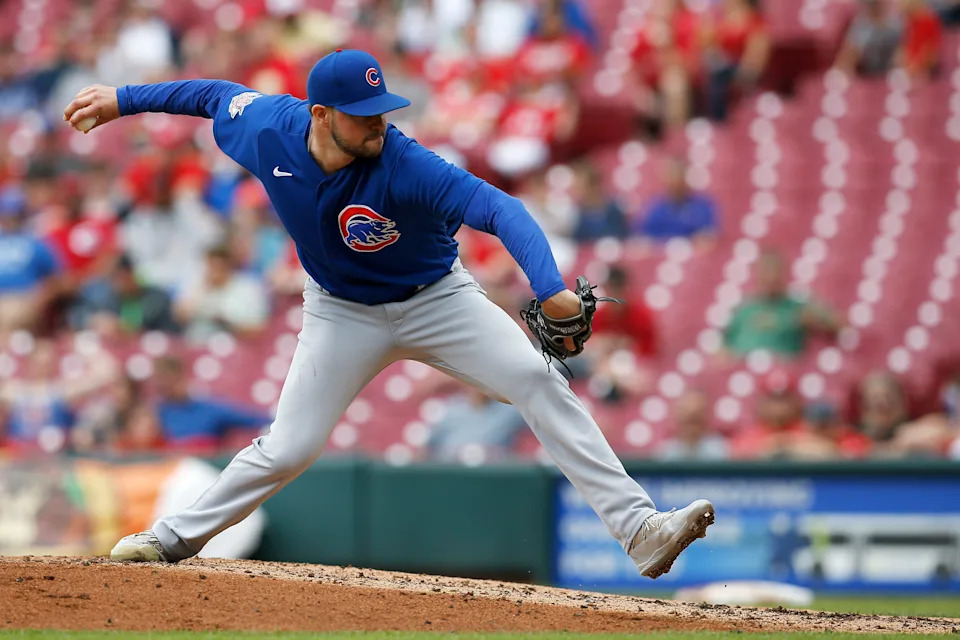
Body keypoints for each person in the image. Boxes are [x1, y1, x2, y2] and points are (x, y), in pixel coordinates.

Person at [64, 48, 713, 578]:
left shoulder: (405, 164)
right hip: (340, 312)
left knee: (538, 380)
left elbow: (501, 211)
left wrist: (547, 287)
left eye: (382, 110)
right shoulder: (266, 130)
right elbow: (209, 94)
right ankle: (170, 541)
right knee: (290, 446)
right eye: (362, 114)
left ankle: (638, 530)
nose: (379, 123)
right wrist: (123, 99)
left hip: (438, 300)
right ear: (320, 115)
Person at [723, 250, 841, 358]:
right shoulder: (743, 310)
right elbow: (723, 349)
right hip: (745, 371)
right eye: (765, 272)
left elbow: (836, 325)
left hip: (786, 373)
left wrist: (812, 318)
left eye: (774, 272)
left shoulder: (797, 305)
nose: (770, 278)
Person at [634, 158, 719, 244]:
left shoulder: (702, 206)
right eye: (672, 176)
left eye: (679, 176)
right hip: (661, 254)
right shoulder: (654, 207)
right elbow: (643, 237)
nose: (675, 182)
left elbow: (708, 236)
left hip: (692, 254)